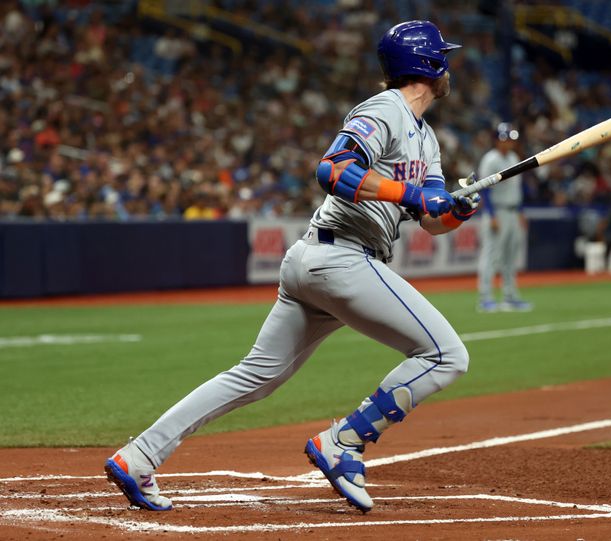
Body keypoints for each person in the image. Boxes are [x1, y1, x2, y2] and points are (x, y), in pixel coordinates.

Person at [103, 20, 480, 514]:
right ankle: (344, 441)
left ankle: (139, 456)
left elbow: (430, 220)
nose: (449, 66)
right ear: (430, 65)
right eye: (443, 58)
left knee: (253, 377)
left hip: (321, 261)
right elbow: (334, 170)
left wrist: (456, 209)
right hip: (339, 258)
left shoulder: (425, 138)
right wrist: (412, 193)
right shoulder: (384, 110)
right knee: (446, 355)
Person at [476, 123, 532, 312]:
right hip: (497, 212)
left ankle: (510, 296)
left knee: (510, 256)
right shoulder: (490, 159)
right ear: (497, 140)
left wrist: (521, 212)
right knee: (491, 255)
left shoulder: (514, 157)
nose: (508, 143)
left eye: (511, 139)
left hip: (513, 211)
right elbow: (484, 189)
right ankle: (486, 297)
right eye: (505, 139)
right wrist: (490, 215)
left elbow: (516, 188)